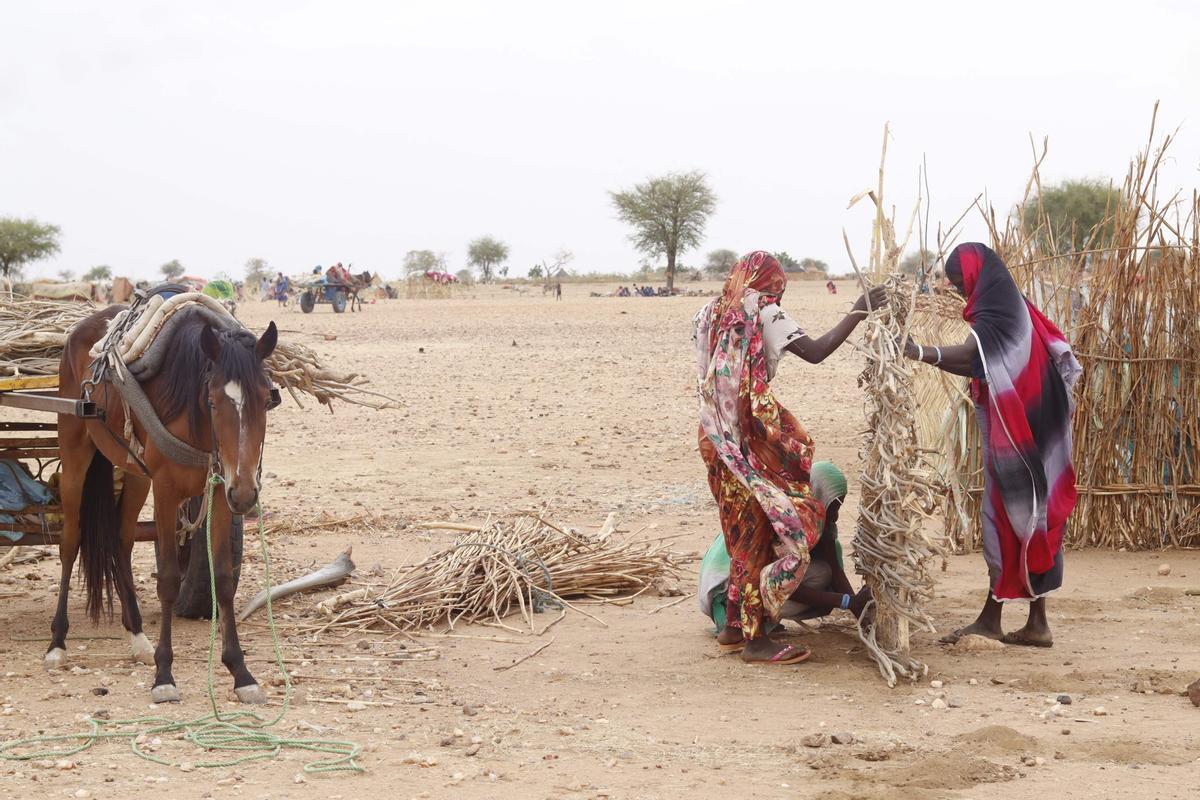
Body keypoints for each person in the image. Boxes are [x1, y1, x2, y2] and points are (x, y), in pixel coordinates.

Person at [695, 250, 886, 664]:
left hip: (714, 434)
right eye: (780, 290)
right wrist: (859, 310)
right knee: (758, 535)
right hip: (750, 439)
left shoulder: (707, 313)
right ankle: (755, 640)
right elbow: (816, 351)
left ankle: (731, 627)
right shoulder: (765, 313)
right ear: (773, 285)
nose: (780, 298)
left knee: (739, 530)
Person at [902, 242, 1080, 647]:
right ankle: (1034, 622)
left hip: (1024, 429)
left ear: (974, 277)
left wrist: (919, 352)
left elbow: (974, 358)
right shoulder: (1008, 302)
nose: (962, 293)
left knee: (1003, 514)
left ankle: (994, 619)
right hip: (1041, 424)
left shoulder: (1000, 312)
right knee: (1037, 515)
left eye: (962, 284)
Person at [699, 461, 871, 640]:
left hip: (753, 583)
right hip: (724, 596)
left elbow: (835, 570)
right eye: (833, 506)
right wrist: (844, 601)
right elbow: (780, 584)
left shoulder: (814, 520)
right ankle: (745, 626)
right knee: (821, 579)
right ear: (818, 495)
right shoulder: (787, 521)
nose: (835, 515)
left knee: (825, 570)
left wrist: (859, 610)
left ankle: (758, 621)